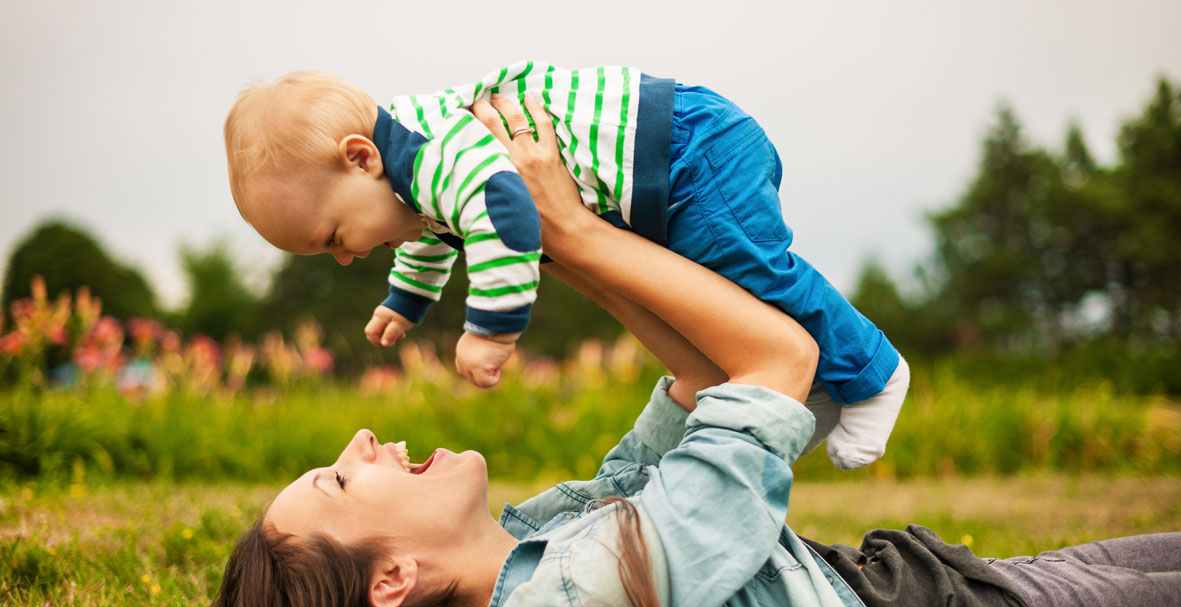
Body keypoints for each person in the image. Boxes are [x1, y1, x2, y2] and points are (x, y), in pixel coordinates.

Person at [181, 98, 1181, 607]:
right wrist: (571, 237)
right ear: (395, 577)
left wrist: (561, 233)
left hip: (955, 587)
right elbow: (776, 359)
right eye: (336, 477)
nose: (358, 440)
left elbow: (701, 389)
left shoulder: (539, 553)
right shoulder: (579, 602)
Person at [222, 62, 909, 470]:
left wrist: (489, 330)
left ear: (360, 158)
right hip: (662, 171)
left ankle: (875, 372)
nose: (345, 255)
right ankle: (818, 380)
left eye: (333, 234)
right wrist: (407, 302)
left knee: (754, 274)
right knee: (726, 296)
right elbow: (434, 237)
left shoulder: (434, 155)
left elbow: (504, 214)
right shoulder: (410, 178)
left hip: (688, 147)